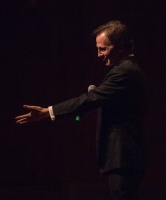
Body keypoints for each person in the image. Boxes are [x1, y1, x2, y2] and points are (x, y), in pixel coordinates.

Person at [15, 20, 146, 200]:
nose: (98, 54)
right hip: (122, 157)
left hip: (123, 156)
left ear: (121, 46)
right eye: (98, 49)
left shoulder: (125, 71)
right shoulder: (123, 69)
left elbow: (91, 99)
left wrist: (48, 111)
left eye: (103, 49)